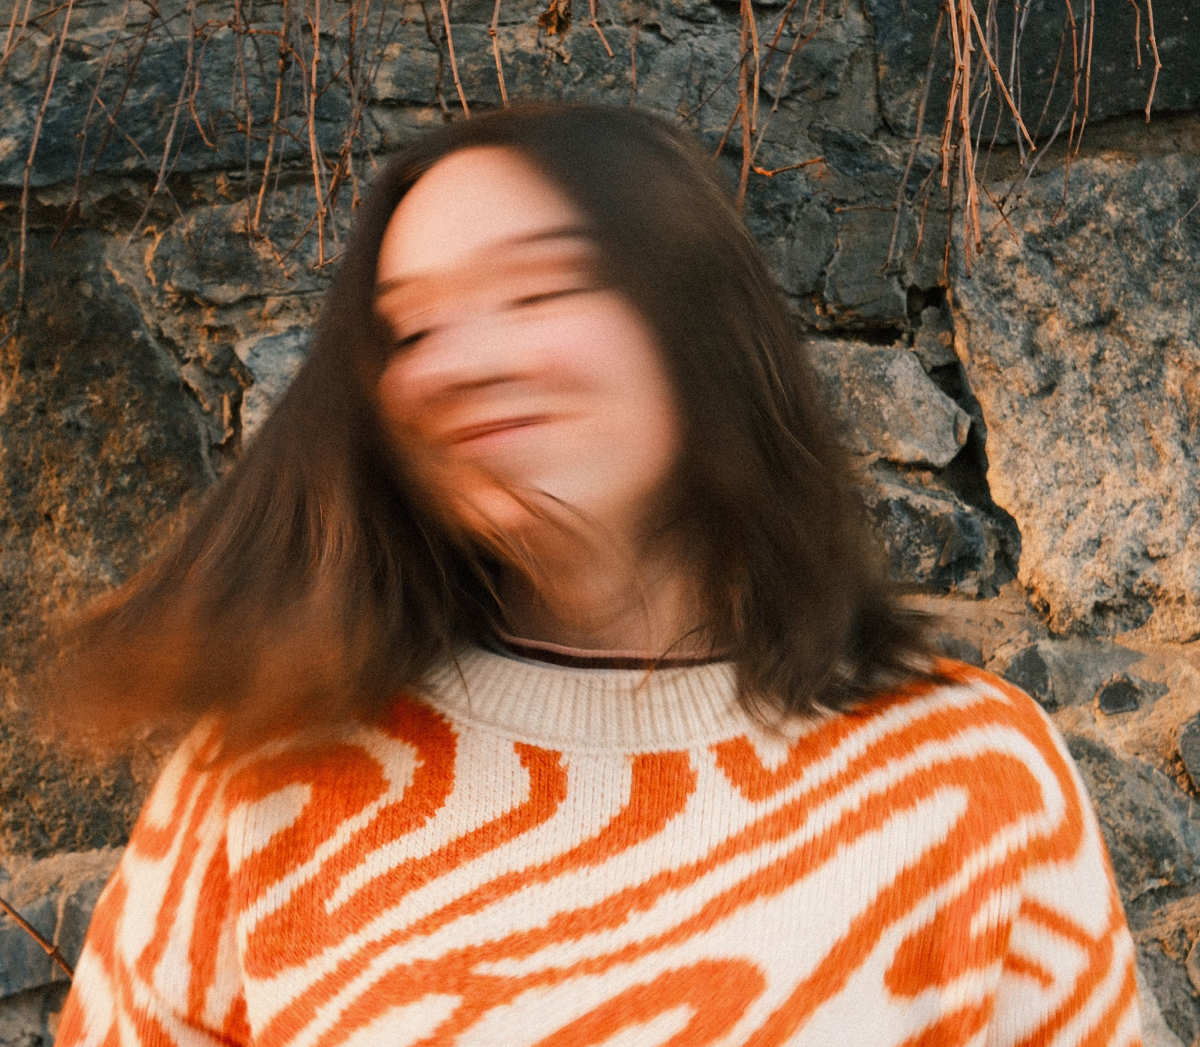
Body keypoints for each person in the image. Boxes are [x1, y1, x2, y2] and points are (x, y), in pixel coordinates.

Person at [52, 105, 1140, 1047]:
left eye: (540, 289)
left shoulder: (972, 777)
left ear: (696, 323)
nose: (458, 362)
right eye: (412, 328)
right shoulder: (260, 784)